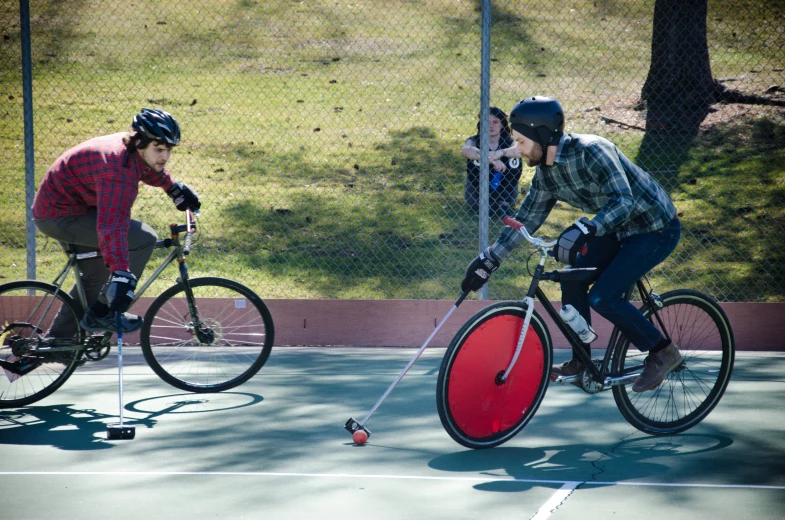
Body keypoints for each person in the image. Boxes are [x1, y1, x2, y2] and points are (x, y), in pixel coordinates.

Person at [460, 95, 681, 393]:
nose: (517, 149)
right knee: (571, 278)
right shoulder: (545, 174)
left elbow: (624, 200)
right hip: (616, 227)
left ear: (542, 136)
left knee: (603, 297)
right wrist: (490, 259)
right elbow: (527, 218)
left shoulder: (593, 151)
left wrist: (589, 227)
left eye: (523, 142)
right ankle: (582, 362)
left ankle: (664, 352)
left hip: (654, 226)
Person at [32, 108, 201, 335]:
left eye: (168, 150)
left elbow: (147, 167)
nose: (165, 157)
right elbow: (112, 226)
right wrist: (122, 273)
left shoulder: (132, 149)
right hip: (58, 215)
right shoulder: (117, 170)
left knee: (96, 277)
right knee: (143, 238)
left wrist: (172, 187)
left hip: (74, 207)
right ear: (140, 142)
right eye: (159, 149)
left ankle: (60, 344)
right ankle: (104, 314)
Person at [460, 106, 523, 217]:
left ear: (502, 124)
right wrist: (490, 160)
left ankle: (503, 202)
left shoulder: (509, 140)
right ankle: (486, 203)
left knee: (514, 159)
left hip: (505, 193)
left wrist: (499, 153)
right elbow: (465, 150)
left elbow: (521, 150)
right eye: (487, 122)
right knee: (476, 159)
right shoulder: (474, 140)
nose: (491, 126)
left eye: (495, 122)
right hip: (476, 195)